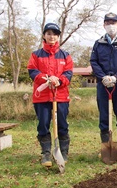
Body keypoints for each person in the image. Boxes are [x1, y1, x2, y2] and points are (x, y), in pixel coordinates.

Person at [27, 23, 73, 167]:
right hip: (42, 97)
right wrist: (47, 78)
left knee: (62, 124)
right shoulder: (36, 55)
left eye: (55, 34)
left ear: (58, 36)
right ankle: (46, 153)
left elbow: (68, 73)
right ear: (44, 36)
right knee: (43, 125)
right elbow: (32, 71)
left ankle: (63, 152)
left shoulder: (65, 56)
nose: (52, 36)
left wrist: (59, 80)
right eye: (49, 33)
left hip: (60, 96)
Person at [90, 12, 117, 157]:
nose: (110, 26)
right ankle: (106, 145)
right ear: (104, 25)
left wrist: (116, 77)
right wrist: (102, 77)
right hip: (102, 84)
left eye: (113, 23)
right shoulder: (99, 43)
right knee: (104, 116)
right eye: (108, 23)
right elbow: (94, 61)